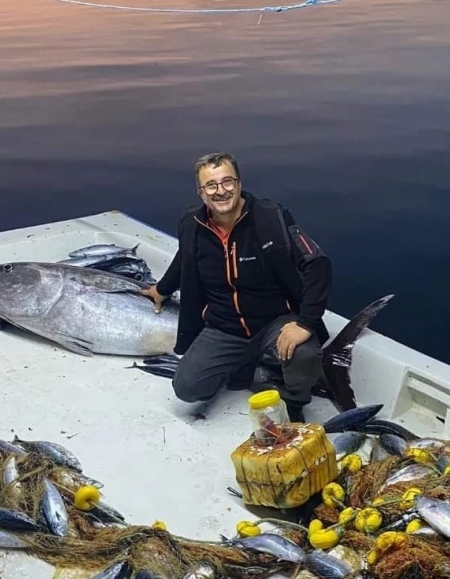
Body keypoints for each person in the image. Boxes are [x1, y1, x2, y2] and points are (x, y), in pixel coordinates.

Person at [140, 152, 332, 422]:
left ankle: (294, 402)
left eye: (227, 181)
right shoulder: (191, 225)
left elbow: (318, 264)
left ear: (239, 183)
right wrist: (160, 291)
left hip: (274, 321)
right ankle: (245, 362)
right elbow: (184, 260)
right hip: (224, 327)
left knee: (303, 353)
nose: (221, 191)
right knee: (187, 388)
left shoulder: (271, 218)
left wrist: (305, 323)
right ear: (201, 192)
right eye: (211, 185)